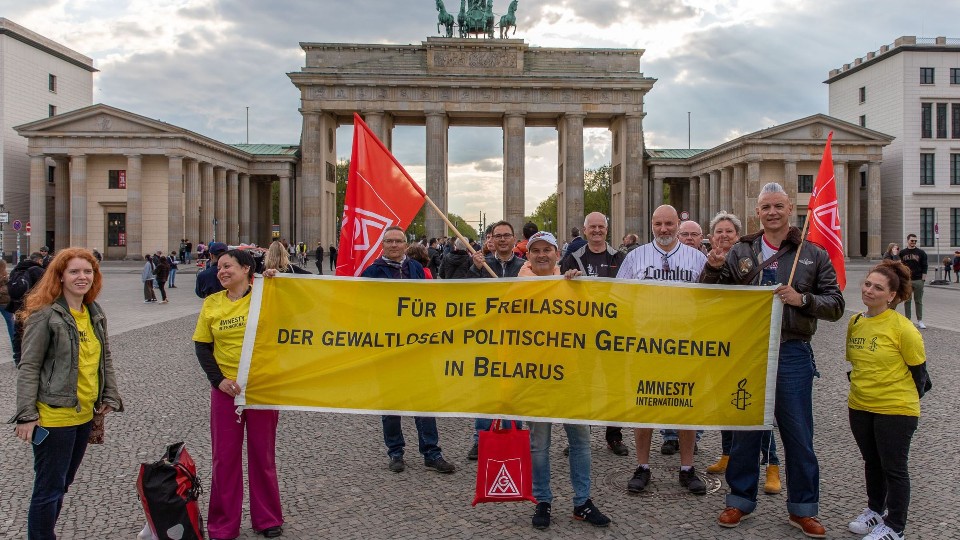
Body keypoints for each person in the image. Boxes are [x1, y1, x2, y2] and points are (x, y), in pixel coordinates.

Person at [701, 182, 844, 538]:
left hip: (792, 350)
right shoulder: (741, 250)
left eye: (778, 206)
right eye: (766, 207)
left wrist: (803, 300)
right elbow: (715, 299)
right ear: (758, 212)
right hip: (749, 350)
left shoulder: (812, 253)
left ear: (789, 210)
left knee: (797, 433)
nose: (772, 212)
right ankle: (740, 500)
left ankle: (803, 508)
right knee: (747, 430)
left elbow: (836, 305)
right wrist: (715, 269)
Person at [10, 248, 123, 540]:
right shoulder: (45, 315)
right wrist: (26, 415)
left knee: (62, 484)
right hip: (53, 415)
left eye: (88, 272)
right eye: (74, 271)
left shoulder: (94, 313)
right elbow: (29, 365)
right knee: (48, 488)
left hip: (84, 413)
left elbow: (104, 356)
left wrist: (109, 393)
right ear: (59, 276)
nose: (82, 277)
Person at [616, 204, 708, 496]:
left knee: (686, 405)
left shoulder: (697, 258)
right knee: (644, 405)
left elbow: (713, 299)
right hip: (646, 344)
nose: (664, 229)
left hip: (685, 344)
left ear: (678, 225)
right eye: (659, 224)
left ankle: (687, 467)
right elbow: (618, 297)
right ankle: (642, 466)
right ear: (651, 225)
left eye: (669, 224)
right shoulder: (635, 257)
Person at [522, 231, 611, 530]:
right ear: (529, 256)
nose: (542, 254)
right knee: (539, 445)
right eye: (536, 250)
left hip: (573, 377)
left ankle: (582, 502)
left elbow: (596, 320)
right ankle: (542, 500)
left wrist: (580, 289)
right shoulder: (516, 289)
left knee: (581, 442)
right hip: (535, 379)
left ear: (557, 254)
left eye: (547, 249)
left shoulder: (572, 284)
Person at [193, 248, 284, 539]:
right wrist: (218, 380)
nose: (221, 271)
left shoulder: (265, 295)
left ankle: (268, 519)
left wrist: (276, 280)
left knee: (262, 454)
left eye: (227, 266)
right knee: (225, 457)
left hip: (261, 387)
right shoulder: (212, 303)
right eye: (218, 267)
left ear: (246, 269)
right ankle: (223, 524)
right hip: (226, 391)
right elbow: (202, 345)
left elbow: (300, 304)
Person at [361, 227, 456, 474]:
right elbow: (359, 306)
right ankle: (396, 452)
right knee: (392, 403)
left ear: (406, 244)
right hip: (387, 346)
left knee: (424, 400)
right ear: (382, 245)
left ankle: (432, 452)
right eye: (389, 241)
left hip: (417, 345)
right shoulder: (371, 273)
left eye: (398, 241)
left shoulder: (415, 269)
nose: (394, 245)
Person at [701, 212, 782, 495]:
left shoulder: (750, 260)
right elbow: (705, 292)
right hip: (724, 341)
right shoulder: (710, 261)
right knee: (727, 403)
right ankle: (728, 453)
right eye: (719, 232)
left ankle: (772, 463)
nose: (724, 236)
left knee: (758, 405)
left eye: (729, 232)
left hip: (752, 342)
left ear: (738, 237)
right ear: (711, 238)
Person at [845, 260, 926, 540]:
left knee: (894, 467)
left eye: (878, 288)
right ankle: (875, 512)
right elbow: (855, 365)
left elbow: (920, 376)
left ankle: (895, 527)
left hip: (895, 408)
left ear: (892, 295)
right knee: (872, 462)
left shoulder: (903, 328)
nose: (869, 290)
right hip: (860, 405)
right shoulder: (855, 322)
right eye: (867, 284)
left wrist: (898, 398)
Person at [559, 212, 628, 457]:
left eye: (601, 227)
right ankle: (579, 435)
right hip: (582, 333)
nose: (597, 231)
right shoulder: (573, 257)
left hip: (613, 333)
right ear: (585, 231)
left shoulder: (620, 257)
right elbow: (561, 293)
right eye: (593, 227)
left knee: (614, 385)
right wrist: (567, 279)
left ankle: (614, 436)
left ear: (606, 231)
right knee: (582, 385)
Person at [6, 252, 46, 366]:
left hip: (17, 306)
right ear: (39, 261)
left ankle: (18, 359)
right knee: (35, 331)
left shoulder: (16, 269)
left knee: (18, 332)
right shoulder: (37, 270)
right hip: (34, 306)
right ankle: (34, 358)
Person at [898, 234, 927, 329]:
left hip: (918, 279)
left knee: (918, 301)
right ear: (907, 241)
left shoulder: (921, 253)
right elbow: (899, 265)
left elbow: (924, 266)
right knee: (907, 300)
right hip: (907, 279)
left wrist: (923, 279)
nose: (913, 242)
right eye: (912, 241)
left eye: (915, 241)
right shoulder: (902, 253)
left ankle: (920, 320)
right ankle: (908, 320)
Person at [0, 260, 15, 350]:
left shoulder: (6, 277)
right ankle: (14, 344)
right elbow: (8, 290)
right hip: (5, 303)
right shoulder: (6, 277)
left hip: (5, 303)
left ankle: (14, 343)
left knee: (11, 323)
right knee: (11, 323)